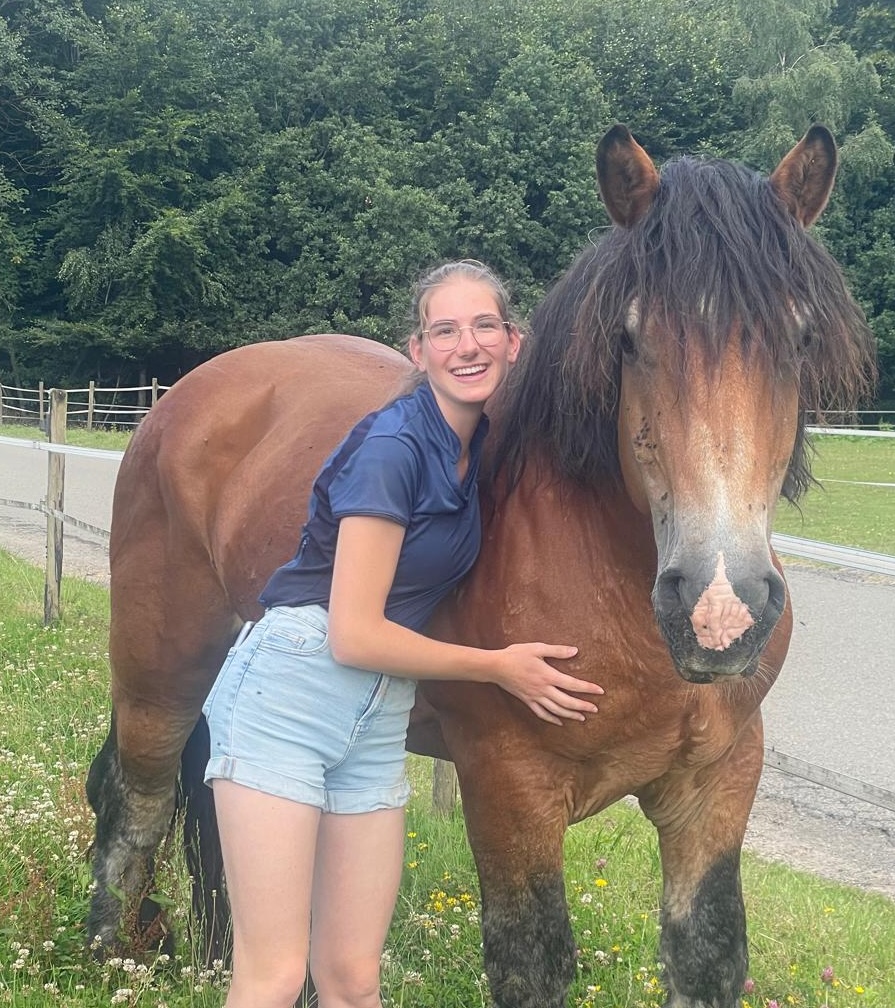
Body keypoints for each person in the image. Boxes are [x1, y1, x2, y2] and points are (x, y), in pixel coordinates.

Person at [202, 259, 604, 1008]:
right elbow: (353, 634)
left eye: (485, 325)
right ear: (417, 352)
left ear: (516, 342)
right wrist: (499, 667)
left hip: (378, 715)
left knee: (354, 980)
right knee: (274, 976)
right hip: (291, 692)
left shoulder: (483, 442)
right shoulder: (395, 449)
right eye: (444, 330)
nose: (468, 344)